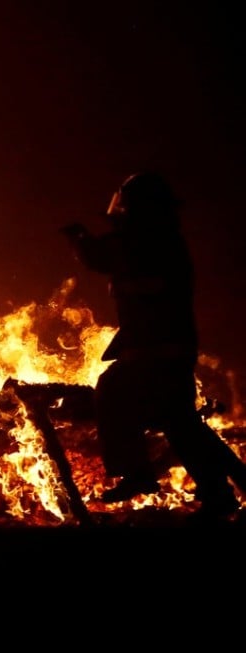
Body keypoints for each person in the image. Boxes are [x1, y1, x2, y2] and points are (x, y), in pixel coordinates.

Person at [62, 171, 246, 521]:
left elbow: (100, 257)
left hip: (155, 350)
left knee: (113, 391)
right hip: (167, 347)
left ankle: (136, 472)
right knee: (182, 425)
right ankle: (221, 493)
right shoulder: (161, 239)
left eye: (127, 206)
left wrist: (78, 236)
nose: (121, 213)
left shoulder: (145, 241)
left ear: (141, 209)